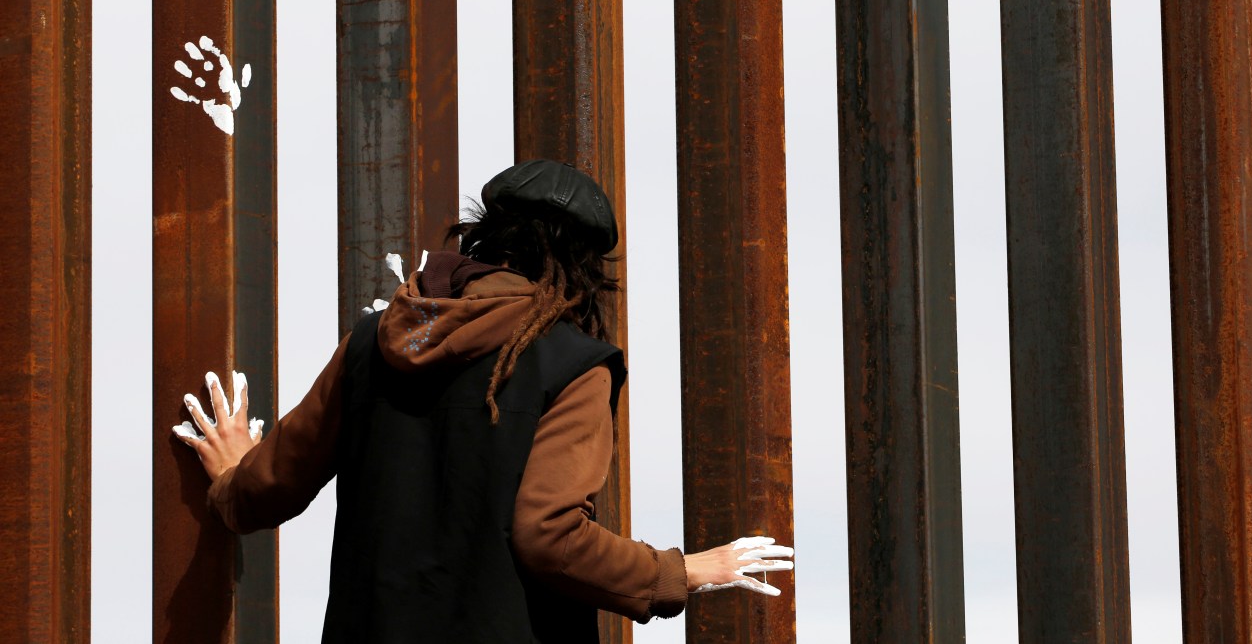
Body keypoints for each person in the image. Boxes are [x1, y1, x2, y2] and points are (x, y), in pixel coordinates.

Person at [173, 159, 794, 642]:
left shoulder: (374, 342)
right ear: (581, 269)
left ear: (483, 237)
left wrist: (230, 476)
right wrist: (679, 572)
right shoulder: (574, 365)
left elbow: (267, 489)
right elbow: (548, 535)